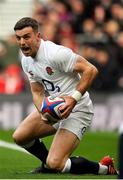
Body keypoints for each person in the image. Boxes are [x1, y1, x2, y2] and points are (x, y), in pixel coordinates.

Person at [13, 17, 117, 175]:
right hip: (56, 109)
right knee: (20, 136)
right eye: (18, 38)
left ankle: (104, 168)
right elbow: (37, 91)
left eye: (26, 37)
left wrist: (73, 99)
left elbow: (91, 70)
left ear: (38, 36)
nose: (22, 42)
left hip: (78, 109)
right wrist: (43, 111)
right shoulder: (26, 60)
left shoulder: (55, 53)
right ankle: (48, 165)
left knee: (56, 163)